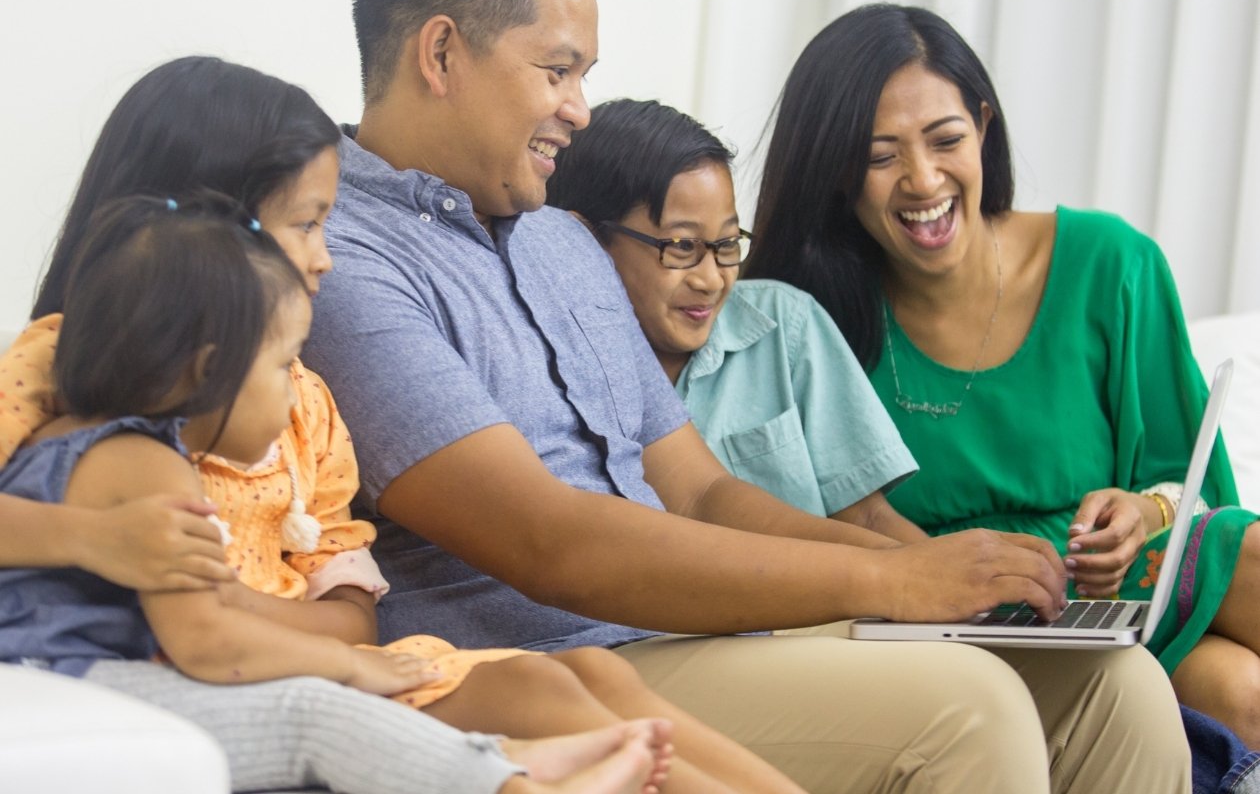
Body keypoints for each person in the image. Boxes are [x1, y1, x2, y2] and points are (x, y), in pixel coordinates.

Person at [302, 0, 1193, 793]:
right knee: (971, 707)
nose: (580, 109)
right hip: (554, 659)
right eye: (557, 70)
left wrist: (924, 568)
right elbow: (549, 543)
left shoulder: (561, 241)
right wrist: (887, 586)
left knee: (1111, 682)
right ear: (441, 55)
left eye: (585, 76)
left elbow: (699, 494)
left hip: (692, 633)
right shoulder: (340, 258)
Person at [0, 58, 804, 794]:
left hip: (294, 654)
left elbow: (342, 602)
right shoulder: (68, 375)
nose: (328, 257)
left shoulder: (302, 401)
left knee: (586, 674)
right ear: (201, 238)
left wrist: (281, 630)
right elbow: (193, 630)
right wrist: (84, 540)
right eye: (308, 224)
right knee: (536, 691)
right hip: (205, 670)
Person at [1, 196, 671, 794]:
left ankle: (511, 762)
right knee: (317, 713)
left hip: (70, 677)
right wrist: (348, 666)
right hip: (75, 682)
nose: (295, 392)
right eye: (281, 366)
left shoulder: (68, 438)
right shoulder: (148, 467)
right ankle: (517, 785)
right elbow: (206, 644)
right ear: (210, 370)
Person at [744, 1, 1260, 748]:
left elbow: (1196, 482)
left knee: (1241, 611)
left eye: (946, 140)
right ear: (835, 172)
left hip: (1121, 596)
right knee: (1238, 691)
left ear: (984, 127)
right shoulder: (802, 318)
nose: (923, 180)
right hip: (958, 615)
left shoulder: (1111, 262)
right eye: (880, 156)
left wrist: (1142, 512)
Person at [546, 97, 923, 541]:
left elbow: (867, 517)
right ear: (585, 241)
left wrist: (950, 579)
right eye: (682, 247)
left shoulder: (787, 326)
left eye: (727, 244)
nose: (711, 279)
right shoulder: (549, 369)